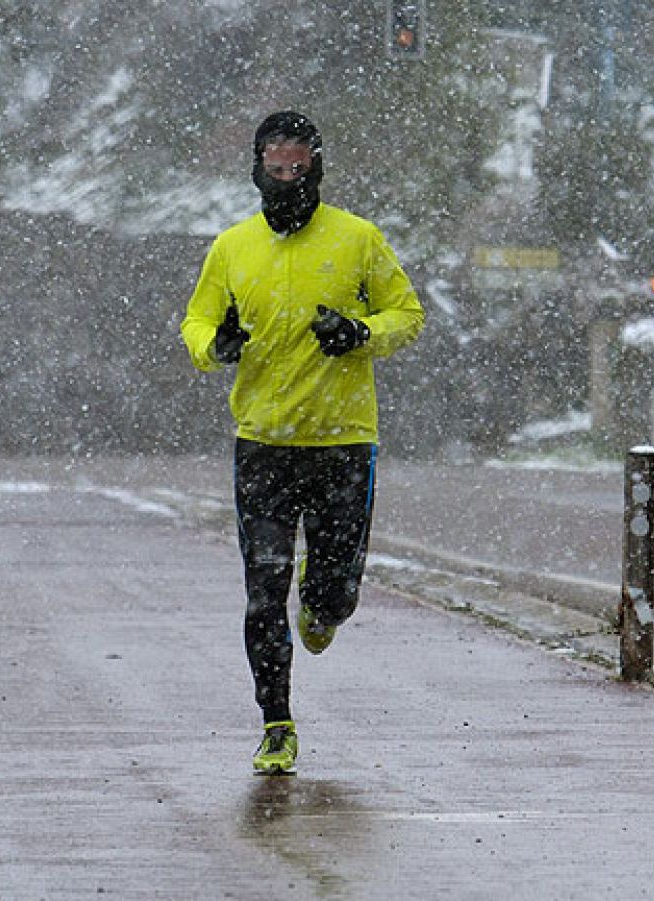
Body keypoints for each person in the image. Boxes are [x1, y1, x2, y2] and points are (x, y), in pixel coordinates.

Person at [179, 111, 425, 774]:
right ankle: (276, 721)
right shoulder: (232, 246)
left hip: (344, 442)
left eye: (298, 166)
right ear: (257, 169)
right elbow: (197, 320)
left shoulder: (358, 238)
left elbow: (408, 313)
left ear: (317, 166)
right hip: (262, 441)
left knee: (334, 592)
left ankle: (326, 602)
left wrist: (361, 332)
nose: (286, 177)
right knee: (264, 589)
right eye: (275, 166)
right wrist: (215, 345)